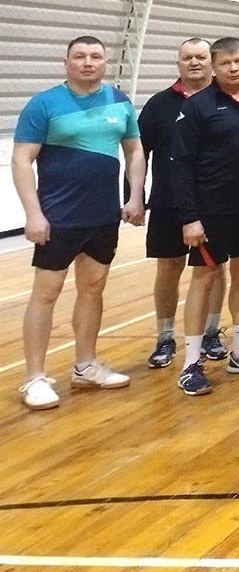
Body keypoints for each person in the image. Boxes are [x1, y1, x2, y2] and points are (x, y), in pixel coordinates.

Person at [13, 36, 146, 410]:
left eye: (95, 56)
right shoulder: (44, 103)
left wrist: (135, 196)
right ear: (66, 62)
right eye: (80, 56)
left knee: (93, 289)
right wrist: (33, 213)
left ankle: (86, 366)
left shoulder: (119, 101)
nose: (88, 62)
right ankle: (34, 378)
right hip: (58, 217)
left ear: (105, 62)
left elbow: (135, 151)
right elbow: (21, 160)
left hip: (102, 216)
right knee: (47, 293)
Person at [170, 37, 239, 395]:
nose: (233, 69)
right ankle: (191, 362)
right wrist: (189, 217)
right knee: (204, 278)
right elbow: (180, 164)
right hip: (211, 212)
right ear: (214, 67)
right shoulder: (197, 106)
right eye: (225, 64)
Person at [138, 38, 225, 369]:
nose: (194, 63)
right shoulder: (159, 105)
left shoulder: (225, 101)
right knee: (168, 266)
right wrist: (134, 196)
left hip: (213, 202)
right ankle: (165, 337)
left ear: (211, 62)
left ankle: (211, 332)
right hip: (167, 201)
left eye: (201, 57)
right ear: (178, 64)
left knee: (214, 268)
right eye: (187, 58)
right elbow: (138, 154)